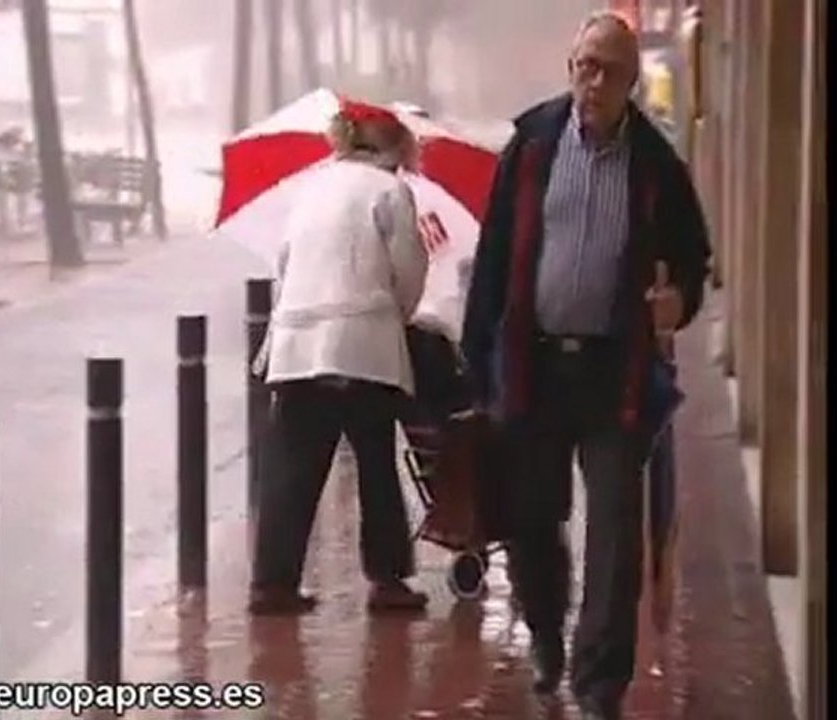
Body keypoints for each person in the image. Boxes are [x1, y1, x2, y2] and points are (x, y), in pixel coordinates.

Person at [461, 12, 710, 720]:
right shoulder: (533, 144)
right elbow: (495, 253)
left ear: (632, 81)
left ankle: (600, 684)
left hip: (614, 376)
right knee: (534, 520)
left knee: (613, 537)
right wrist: (479, 363)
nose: (591, 82)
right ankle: (545, 633)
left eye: (607, 70)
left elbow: (694, 260)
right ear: (569, 65)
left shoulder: (656, 164)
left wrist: (678, 301)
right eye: (583, 66)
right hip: (535, 368)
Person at [249, 99, 430, 615]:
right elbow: (408, 272)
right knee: (376, 463)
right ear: (393, 144)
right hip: (364, 347)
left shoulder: (311, 188)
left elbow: (284, 267)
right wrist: (396, 314)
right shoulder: (391, 191)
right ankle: (388, 579)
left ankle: (272, 583)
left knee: (292, 469)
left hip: (298, 346)